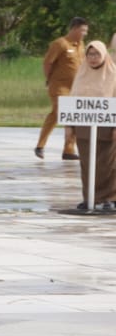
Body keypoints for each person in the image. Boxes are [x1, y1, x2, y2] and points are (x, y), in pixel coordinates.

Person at [67, 40, 116, 210]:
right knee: (87, 164)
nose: (93, 58)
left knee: (107, 164)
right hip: (84, 127)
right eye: (90, 54)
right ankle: (90, 197)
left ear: (104, 55)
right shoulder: (81, 74)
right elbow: (72, 101)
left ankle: (109, 198)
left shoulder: (113, 74)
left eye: (97, 54)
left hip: (107, 127)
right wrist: (69, 127)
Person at [37, 18, 88, 161]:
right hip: (60, 87)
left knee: (71, 116)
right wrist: (49, 79)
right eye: (83, 30)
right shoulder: (60, 44)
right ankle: (40, 145)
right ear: (74, 29)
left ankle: (69, 149)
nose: (85, 34)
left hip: (76, 88)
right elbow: (48, 63)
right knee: (61, 113)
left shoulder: (81, 45)